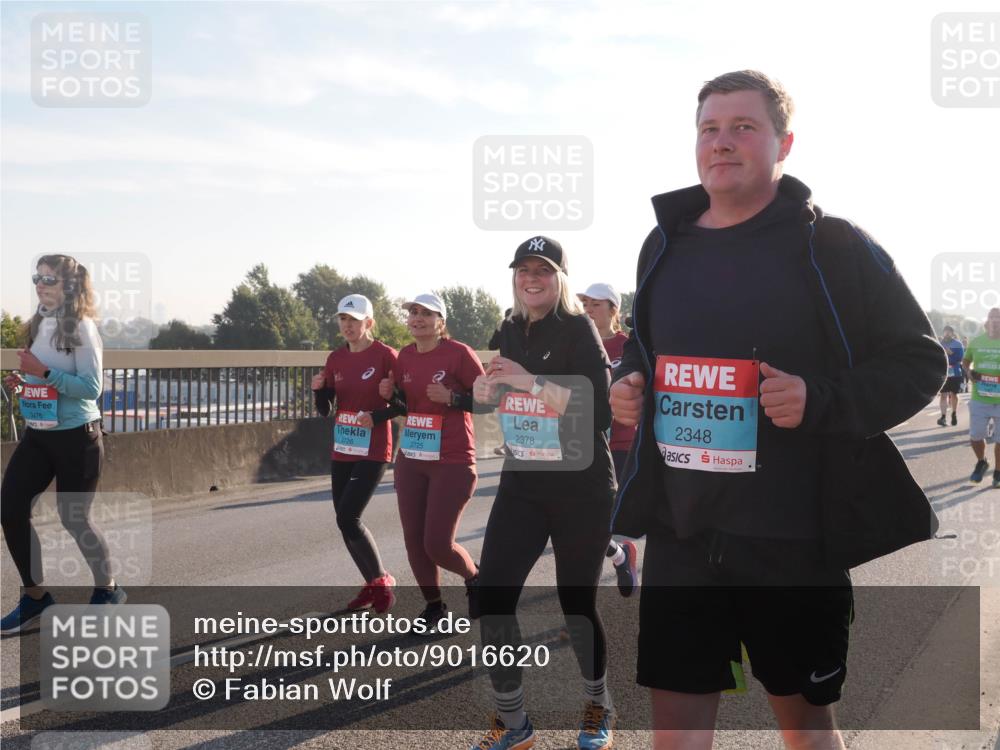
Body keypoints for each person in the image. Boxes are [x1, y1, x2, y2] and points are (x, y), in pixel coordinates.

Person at [609, 71, 944, 750]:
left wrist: (819, 399)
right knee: (673, 733)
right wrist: (630, 380)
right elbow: (644, 349)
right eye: (709, 128)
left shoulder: (833, 244)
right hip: (682, 535)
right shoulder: (662, 244)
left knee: (806, 727)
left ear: (783, 143)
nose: (722, 142)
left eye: (743, 127)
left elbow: (920, 362)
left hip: (791, 541)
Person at [471, 237, 616, 750]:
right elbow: (494, 400)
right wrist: (484, 395)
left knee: (575, 602)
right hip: (524, 483)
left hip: (581, 487)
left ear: (561, 279)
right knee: (491, 598)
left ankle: (598, 703)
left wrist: (531, 382)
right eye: (523, 269)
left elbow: (599, 414)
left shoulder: (578, 329)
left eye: (544, 270)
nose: (532, 278)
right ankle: (515, 724)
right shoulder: (509, 328)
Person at [1, 255, 126, 634]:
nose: (40, 284)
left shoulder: (82, 328)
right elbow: (49, 381)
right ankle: (36, 597)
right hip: (39, 434)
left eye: (49, 279)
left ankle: (109, 591)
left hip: (78, 436)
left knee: (75, 518)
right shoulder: (41, 325)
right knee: (10, 508)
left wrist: (43, 372)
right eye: (36, 277)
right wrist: (25, 384)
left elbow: (91, 389)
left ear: (69, 286)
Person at [378, 293, 483, 633]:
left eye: (426, 313)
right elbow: (407, 407)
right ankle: (434, 607)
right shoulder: (405, 357)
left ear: (441, 322)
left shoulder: (459, 354)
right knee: (413, 540)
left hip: (452, 460)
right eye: (412, 313)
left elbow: (490, 400)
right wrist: (389, 396)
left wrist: (454, 398)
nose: (417, 318)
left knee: (436, 543)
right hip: (412, 457)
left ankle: (475, 578)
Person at [311, 294, 398, 613]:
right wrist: (319, 390)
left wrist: (376, 416)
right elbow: (325, 410)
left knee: (350, 515)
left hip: (374, 448)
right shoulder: (335, 358)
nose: (347, 325)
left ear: (369, 323)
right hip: (344, 446)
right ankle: (372, 584)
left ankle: (381, 580)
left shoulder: (386, 356)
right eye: (343, 320)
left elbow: (404, 404)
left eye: (354, 320)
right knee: (343, 521)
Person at [578, 283, 639, 597]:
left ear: (614, 309)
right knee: (580, 518)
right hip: (582, 442)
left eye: (596, 304)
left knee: (599, 519)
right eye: (585, 304)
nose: (588, 309)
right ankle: (620, 554)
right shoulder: (577, 344)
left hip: (621, 444)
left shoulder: (627, 346)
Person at [962, 307, 1000, 487]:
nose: (995, 320)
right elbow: (965, 361)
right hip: (980, 398)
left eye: (998, 317)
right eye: (992, 317)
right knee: (976, 436)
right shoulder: (976, 342)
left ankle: (998, 472)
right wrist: (969, 373)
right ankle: (982, 461)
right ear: (987, 321)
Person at [937, 325, 965, 426]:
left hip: (956, 373)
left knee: (954, 394)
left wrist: (950, 356)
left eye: (949, 331)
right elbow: (937, 357)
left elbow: (960, 358)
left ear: (952, 333)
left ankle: (954, 414)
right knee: (943, 395)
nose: (947, 333)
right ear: (943, 332)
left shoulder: (958, 344)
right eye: (945, 331)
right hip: (944, 373)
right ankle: (943, 417)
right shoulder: (940, 343)